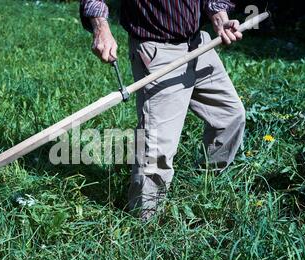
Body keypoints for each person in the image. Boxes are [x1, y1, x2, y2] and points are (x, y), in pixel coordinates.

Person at [80, 0, 246, 220]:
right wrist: (101, 28)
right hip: (158, 50)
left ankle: (204, 188)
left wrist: (219, 16)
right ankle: (144, 223)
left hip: (198, 44)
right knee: (157, 147)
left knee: (230, 116)